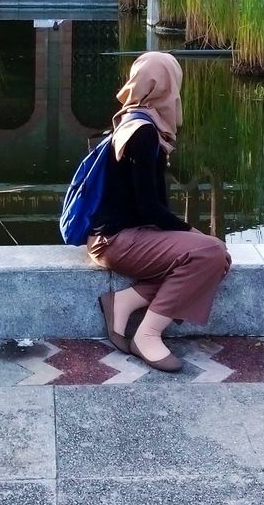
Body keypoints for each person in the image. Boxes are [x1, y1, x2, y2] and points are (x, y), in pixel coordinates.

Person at [88, 52, 230, 372]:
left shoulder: (136, 119)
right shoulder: (143, 131)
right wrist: (191, 232)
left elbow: (148, 206)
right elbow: (148, 206)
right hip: (116, 239)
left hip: (123, 233)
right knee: (209, 252)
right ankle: (147, 335)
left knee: (217, 257)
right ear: (167, 85)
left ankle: (126, 301)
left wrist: (193, 238)